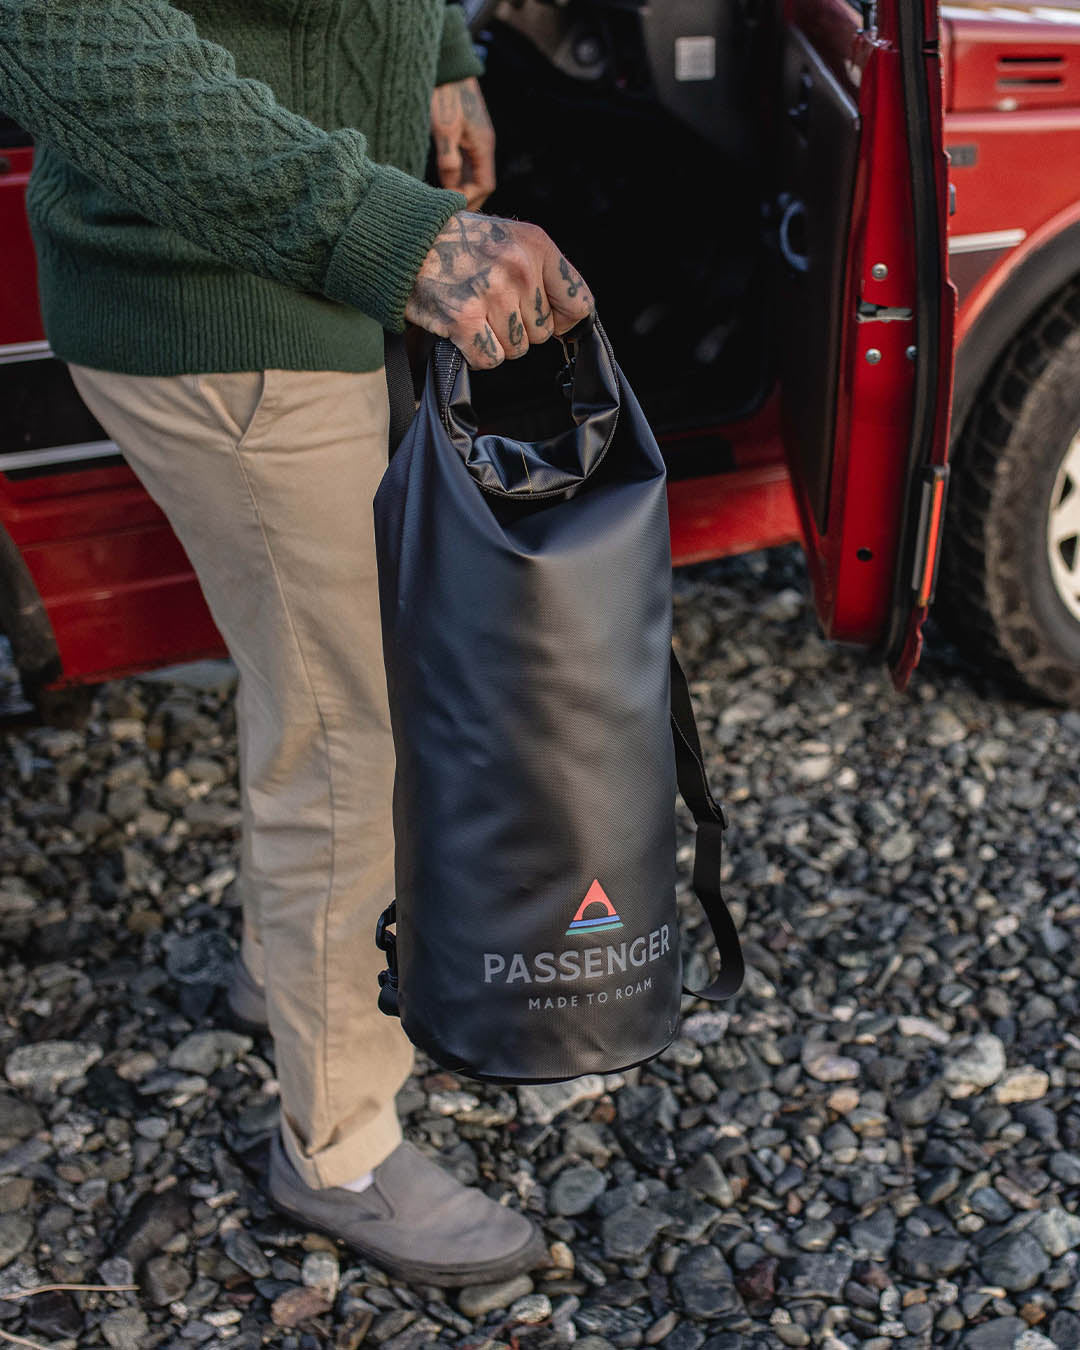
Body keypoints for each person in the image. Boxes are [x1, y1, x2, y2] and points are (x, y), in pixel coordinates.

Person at [0, 0, 594, 1288]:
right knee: (356, 734)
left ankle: (286, 977)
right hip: (227, 289)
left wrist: (442, 55)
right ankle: (340, 1150)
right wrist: (387, 229)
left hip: (301, 266)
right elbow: (56, 30)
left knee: (314, 677)